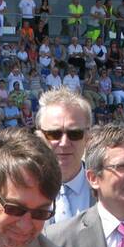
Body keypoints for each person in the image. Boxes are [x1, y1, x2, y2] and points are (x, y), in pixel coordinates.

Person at [35, 89, 95, 226]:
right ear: (39, 137)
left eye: (74, 134)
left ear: (88, 137)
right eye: (54, 134)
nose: (64, 143)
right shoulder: (21, 189)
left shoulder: (106, 191)